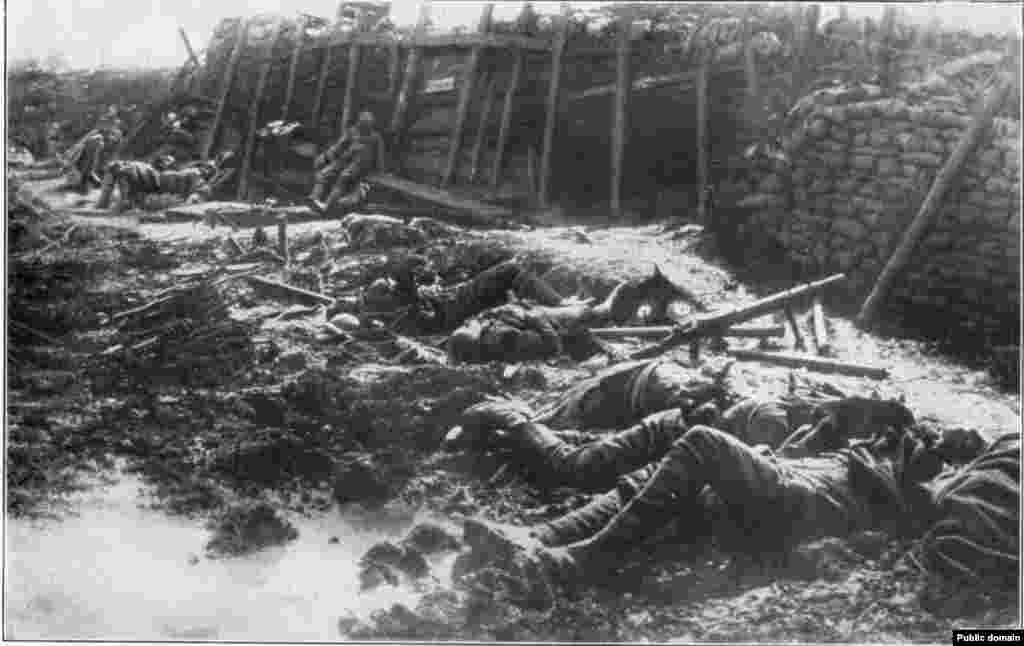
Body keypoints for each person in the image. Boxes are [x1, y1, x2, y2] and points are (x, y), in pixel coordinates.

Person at [456, 400, 1007, 588]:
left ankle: (586, 558)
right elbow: (821, 445)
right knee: (660, 482)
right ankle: (538, 539)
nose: (937, 435)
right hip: (790, 479)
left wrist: (918, 460)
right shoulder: (892, 446)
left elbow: (923, 509)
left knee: (700, 444)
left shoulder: (939, 481)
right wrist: (832, 432)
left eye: (950, 441)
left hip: (803, 503)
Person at [359, 262, 703, 363]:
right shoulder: (403, 312)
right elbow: (424, 317)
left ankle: (652, 297)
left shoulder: (393, 310)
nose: (390, 287)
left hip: (460, 313)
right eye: (388, 288)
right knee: (511, 272)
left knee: (595, 314)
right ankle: (651, 294)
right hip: (454, 313)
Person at [309, 110, 387, 212]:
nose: (364, 125)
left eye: (367, 123)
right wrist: (325, 157)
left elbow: (379, 157)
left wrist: (379, 172)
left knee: (343, 177)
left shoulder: (376, 138)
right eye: (363, 122)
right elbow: (338, 147)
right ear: (359, 121)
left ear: (371, 124)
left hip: (360, 166)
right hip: (344, 160)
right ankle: (313, 199)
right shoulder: (352, 132)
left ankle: (327, 206)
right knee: (324, 173)